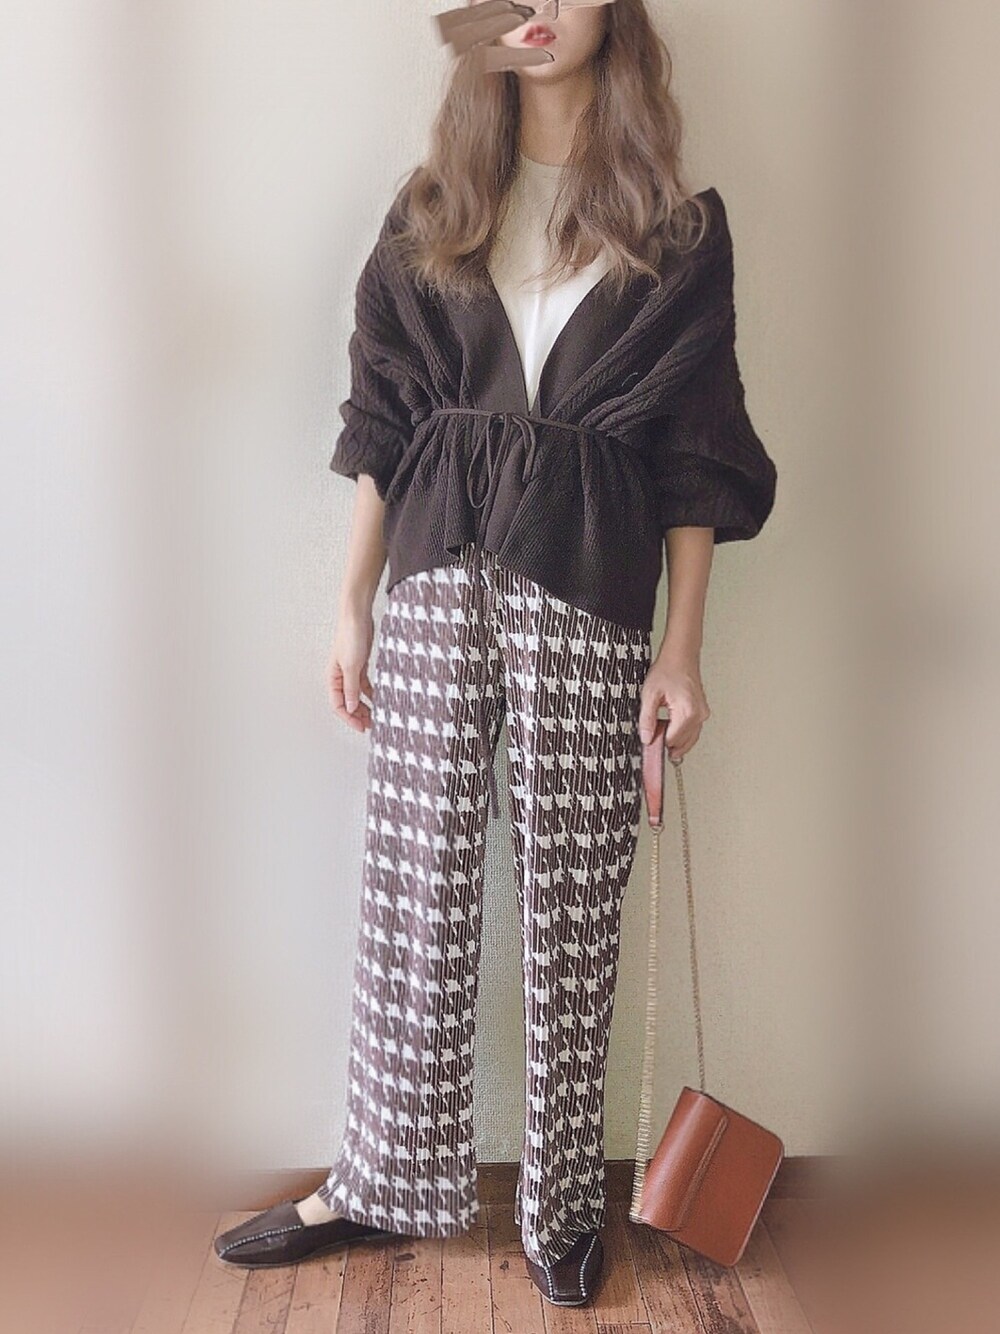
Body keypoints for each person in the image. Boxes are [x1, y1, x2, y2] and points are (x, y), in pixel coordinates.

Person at [214, 0, 777, 1308]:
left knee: (571, 896)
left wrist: (682, 651)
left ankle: (562, 1199)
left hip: (589, 580)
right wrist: (351, 602)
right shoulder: (434, 212)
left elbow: (695, 455)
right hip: (433, 569)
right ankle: (379, 1177)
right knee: (414, 885)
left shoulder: (678, 230)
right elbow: (384, 416)